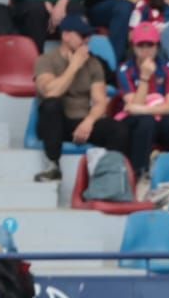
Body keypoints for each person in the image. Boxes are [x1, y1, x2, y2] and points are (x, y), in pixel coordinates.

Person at [31, 12, 125, 183]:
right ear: (66, 35)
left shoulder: (94, 63)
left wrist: (89, 122)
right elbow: (50, 92)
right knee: (51, 104)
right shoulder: (45, 60)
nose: (87, 40)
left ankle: (108, 177)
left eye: (89, 35)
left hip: (81, 122)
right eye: (82, 35)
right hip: (54, 123)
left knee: (117, 129)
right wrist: (73, 67)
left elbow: (100, 101)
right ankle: (53, 165)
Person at [113, 21, 169, 185]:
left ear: (157, 46)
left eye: (150, 45)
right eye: (141, 46)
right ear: (134, 47)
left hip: (157, 114)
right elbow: (132, 106)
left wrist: (141, 109)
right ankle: (139, 175)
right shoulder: (125, 70)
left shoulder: (168, 68)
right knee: (146, 124)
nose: (146, 50)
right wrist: (145, 77)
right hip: (132, 121)